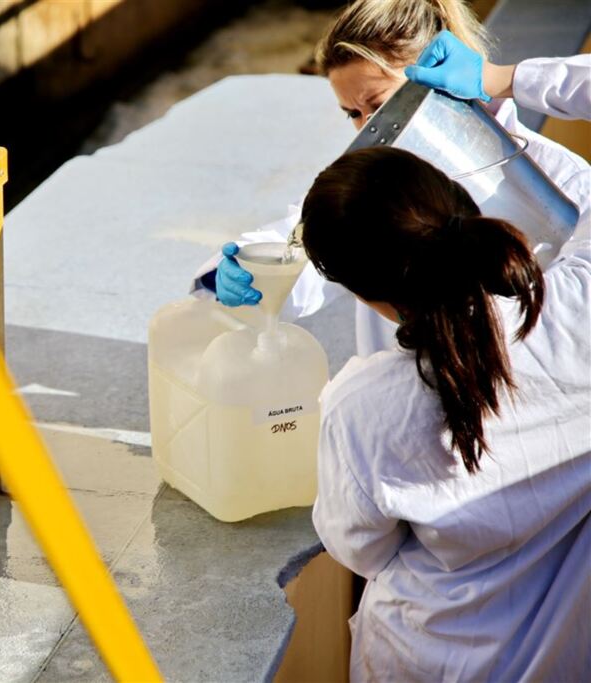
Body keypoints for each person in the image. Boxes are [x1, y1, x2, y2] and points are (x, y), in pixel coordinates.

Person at [299, 77, 590, 680]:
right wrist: (497, 109)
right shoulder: (578, 310)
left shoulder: (364, 405)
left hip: (427, 660)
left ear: (364, 292)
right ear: (464, 200)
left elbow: (361, 549)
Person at [193, 0, 590, 357]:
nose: (369, 128)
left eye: (380, 106)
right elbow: (305, 239)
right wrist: (246, 272)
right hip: (410, 410)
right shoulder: (375, 189)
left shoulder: (557, 182)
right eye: (352, 113)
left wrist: (509, 78)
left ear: (439, 77)